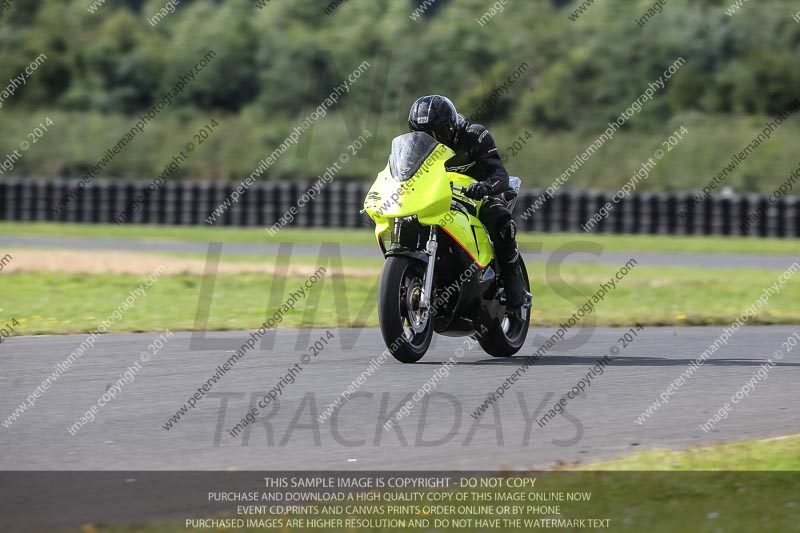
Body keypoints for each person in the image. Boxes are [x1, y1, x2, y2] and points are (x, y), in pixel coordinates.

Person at [407, 94, 526, 308]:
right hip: (437, 197)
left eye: (438, 132)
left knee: (502, 221)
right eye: (424, 134)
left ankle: (512, 280)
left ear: (451, 126)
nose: (433, 139)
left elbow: (500, 174)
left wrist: (485, 187)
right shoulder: (413, 148)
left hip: (479, 196)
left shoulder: (475, 135)